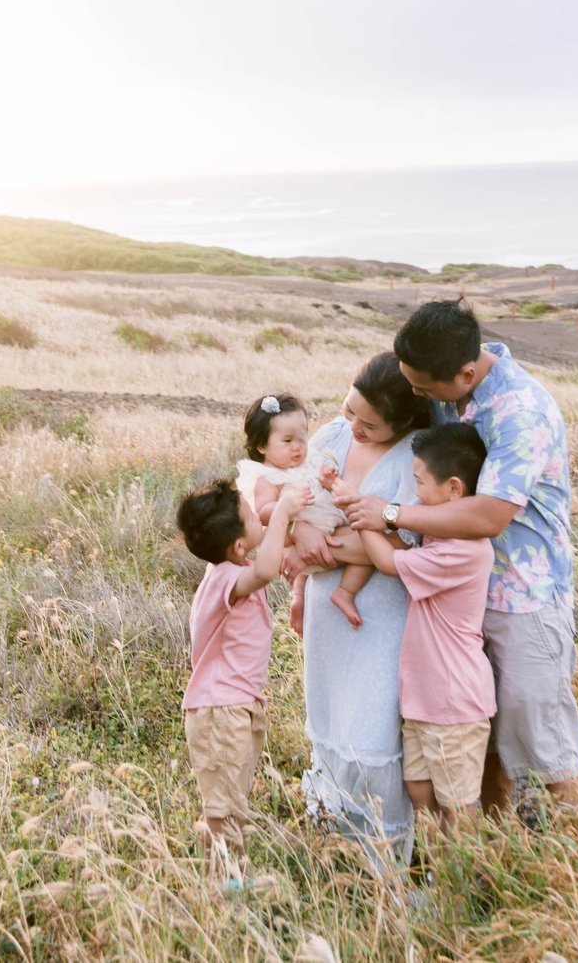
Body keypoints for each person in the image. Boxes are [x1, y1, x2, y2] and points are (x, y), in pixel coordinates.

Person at [339, 300, 578, 817]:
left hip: (522, 597)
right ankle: (487, 856)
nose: (417, 397)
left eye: (424, 389)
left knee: (545, 747)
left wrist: (390, 514)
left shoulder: (520, 411)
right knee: (484, 740)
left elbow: (490, 516)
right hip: (457, 600)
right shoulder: (447, 390)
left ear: (466, 372)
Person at [295, 351, 434, 865]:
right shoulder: (332, 435)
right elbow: (289, 498)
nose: (353, 426)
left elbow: (403, 548)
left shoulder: (414, 458)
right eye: (349, 409)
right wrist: (302, 529)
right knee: (328, 710)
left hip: (380, 615)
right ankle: (333, 843)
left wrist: (313, 547)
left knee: (370, 724)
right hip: (323, 606)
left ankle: (381, 860)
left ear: (402, 422)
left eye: (369, 424)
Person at [352, 423, 496, 827]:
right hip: (423, 697)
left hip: (454, 701)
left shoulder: (464, 551)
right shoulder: (439, 534)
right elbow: (399, 546)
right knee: (420, 792)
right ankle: (439, 876)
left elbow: (387, 561)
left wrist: (365, 517)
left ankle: (464, 884)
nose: (414, 495)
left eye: (419, 483)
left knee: (458, 806)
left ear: (454, 489)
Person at [175, 474, 303, 855]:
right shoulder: (227, 578)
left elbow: (268, 563)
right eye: (253, 515)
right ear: (237, 546)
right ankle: (222, 893)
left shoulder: (232, 569)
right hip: (220, 711)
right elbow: (265, 571)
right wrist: (281, 513)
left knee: (233, 806)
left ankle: (231, 883)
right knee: (223, 813)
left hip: (237, 706)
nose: (259, 516)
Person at [234, 393, 372, 629]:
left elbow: (322, 481)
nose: (297, 447)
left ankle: (324, 595)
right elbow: (264, 511)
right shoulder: (267, 478)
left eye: (302, 437)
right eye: (287, 441)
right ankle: (330, 593)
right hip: (304, 535)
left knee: (367, 545)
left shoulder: (311, 461)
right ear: (262, 446)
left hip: (331, 524)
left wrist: (328, 478)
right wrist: (285, 507)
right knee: (364, 555)